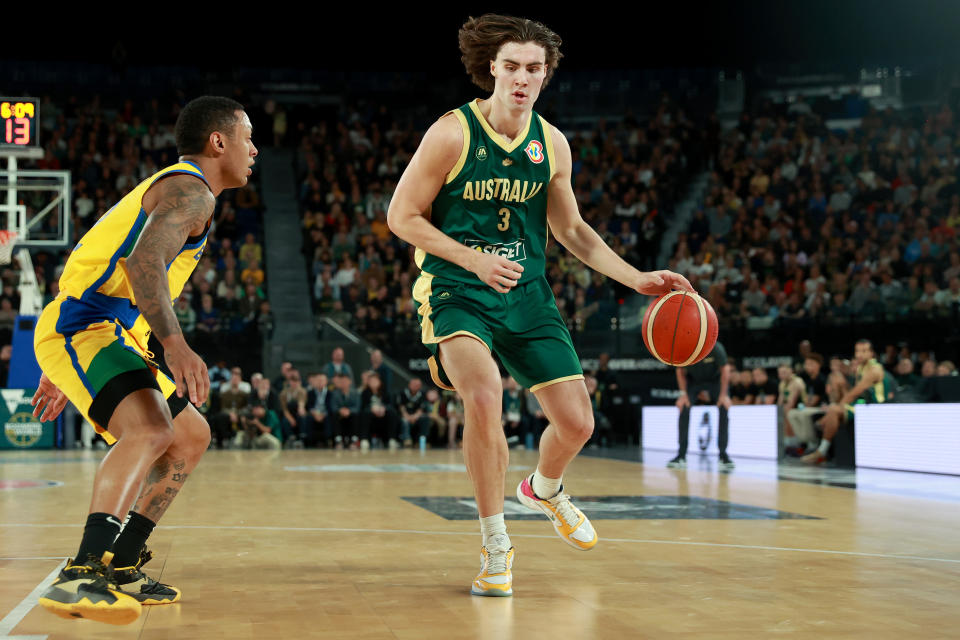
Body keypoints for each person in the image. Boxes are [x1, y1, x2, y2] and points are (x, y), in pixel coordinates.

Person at [387, 14, 693, 597]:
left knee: (578, 423)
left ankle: (544, 489)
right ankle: (495, 542)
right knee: (483, 396)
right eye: (511, 67)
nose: (522, 79)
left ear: (545, 74)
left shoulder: (551, 143)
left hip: (527, 293)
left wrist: (636, 278)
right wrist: (473, 259)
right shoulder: (451, 133)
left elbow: (572, 230)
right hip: (458, 287)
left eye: (534, 68)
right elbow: (401, 217)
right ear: (492, 71)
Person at [30, 96, 257, 624]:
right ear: (217, 142)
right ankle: (82, 572)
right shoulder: (189, 191)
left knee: (191, 435)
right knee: (150, 429)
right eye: (247, 138)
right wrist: (175, 345)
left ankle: (122, 562)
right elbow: (143, 262)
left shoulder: (189, 191)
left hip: (105, 330)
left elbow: (123, 265)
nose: (254, 150)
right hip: (85, 325)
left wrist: (65, 369)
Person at [802, 339, 892, 464]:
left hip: (877, 407)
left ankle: (821, 451)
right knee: (833, 410)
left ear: (871, 353)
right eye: (857, 351)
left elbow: (855, 392)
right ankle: (823, 451)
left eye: (864, 351)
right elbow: (854, 395)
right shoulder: (861, 367)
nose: (859, 354)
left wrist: (837, 408)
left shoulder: (874, 369)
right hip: (864, 406)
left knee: (833, 410)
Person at [666, 341, 734, 470]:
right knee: (684, 407)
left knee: (724, 407)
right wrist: (683, 394)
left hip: (715, 381)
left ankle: (723, 455)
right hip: (694, 381)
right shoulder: (684, 348)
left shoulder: (715, 347)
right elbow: (680, 371)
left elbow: (725, 369)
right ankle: (681, 455)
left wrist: (724, 394)